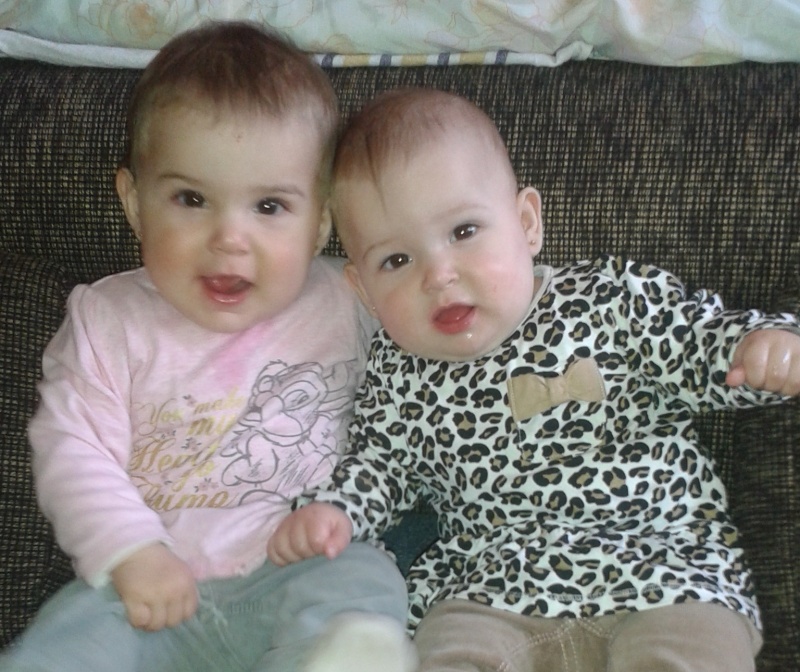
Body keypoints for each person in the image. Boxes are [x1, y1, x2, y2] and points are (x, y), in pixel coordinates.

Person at [266, 87, 800, 672]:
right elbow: (379, 466)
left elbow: (697, 342)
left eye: (464, 231)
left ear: (526, 223)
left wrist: (761, 346)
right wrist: (337, 512)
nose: (438, 276)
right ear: (365, 291)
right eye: (397, 260)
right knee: (448, 651)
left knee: (692, 654)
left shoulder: (608, 299)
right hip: (492, 589)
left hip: (664, 566)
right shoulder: (396, 372)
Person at [0, 22, 417, 672]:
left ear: (320, 223)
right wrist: (129, 551)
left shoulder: (351, 297)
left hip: (297, 571)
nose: (229, 237)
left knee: (365, 581)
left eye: (269, 207)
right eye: (192, 199)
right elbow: (73, 446)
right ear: (135, 204)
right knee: (70, 637)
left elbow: (436, 344)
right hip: (147, 591)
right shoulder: (107, 319)